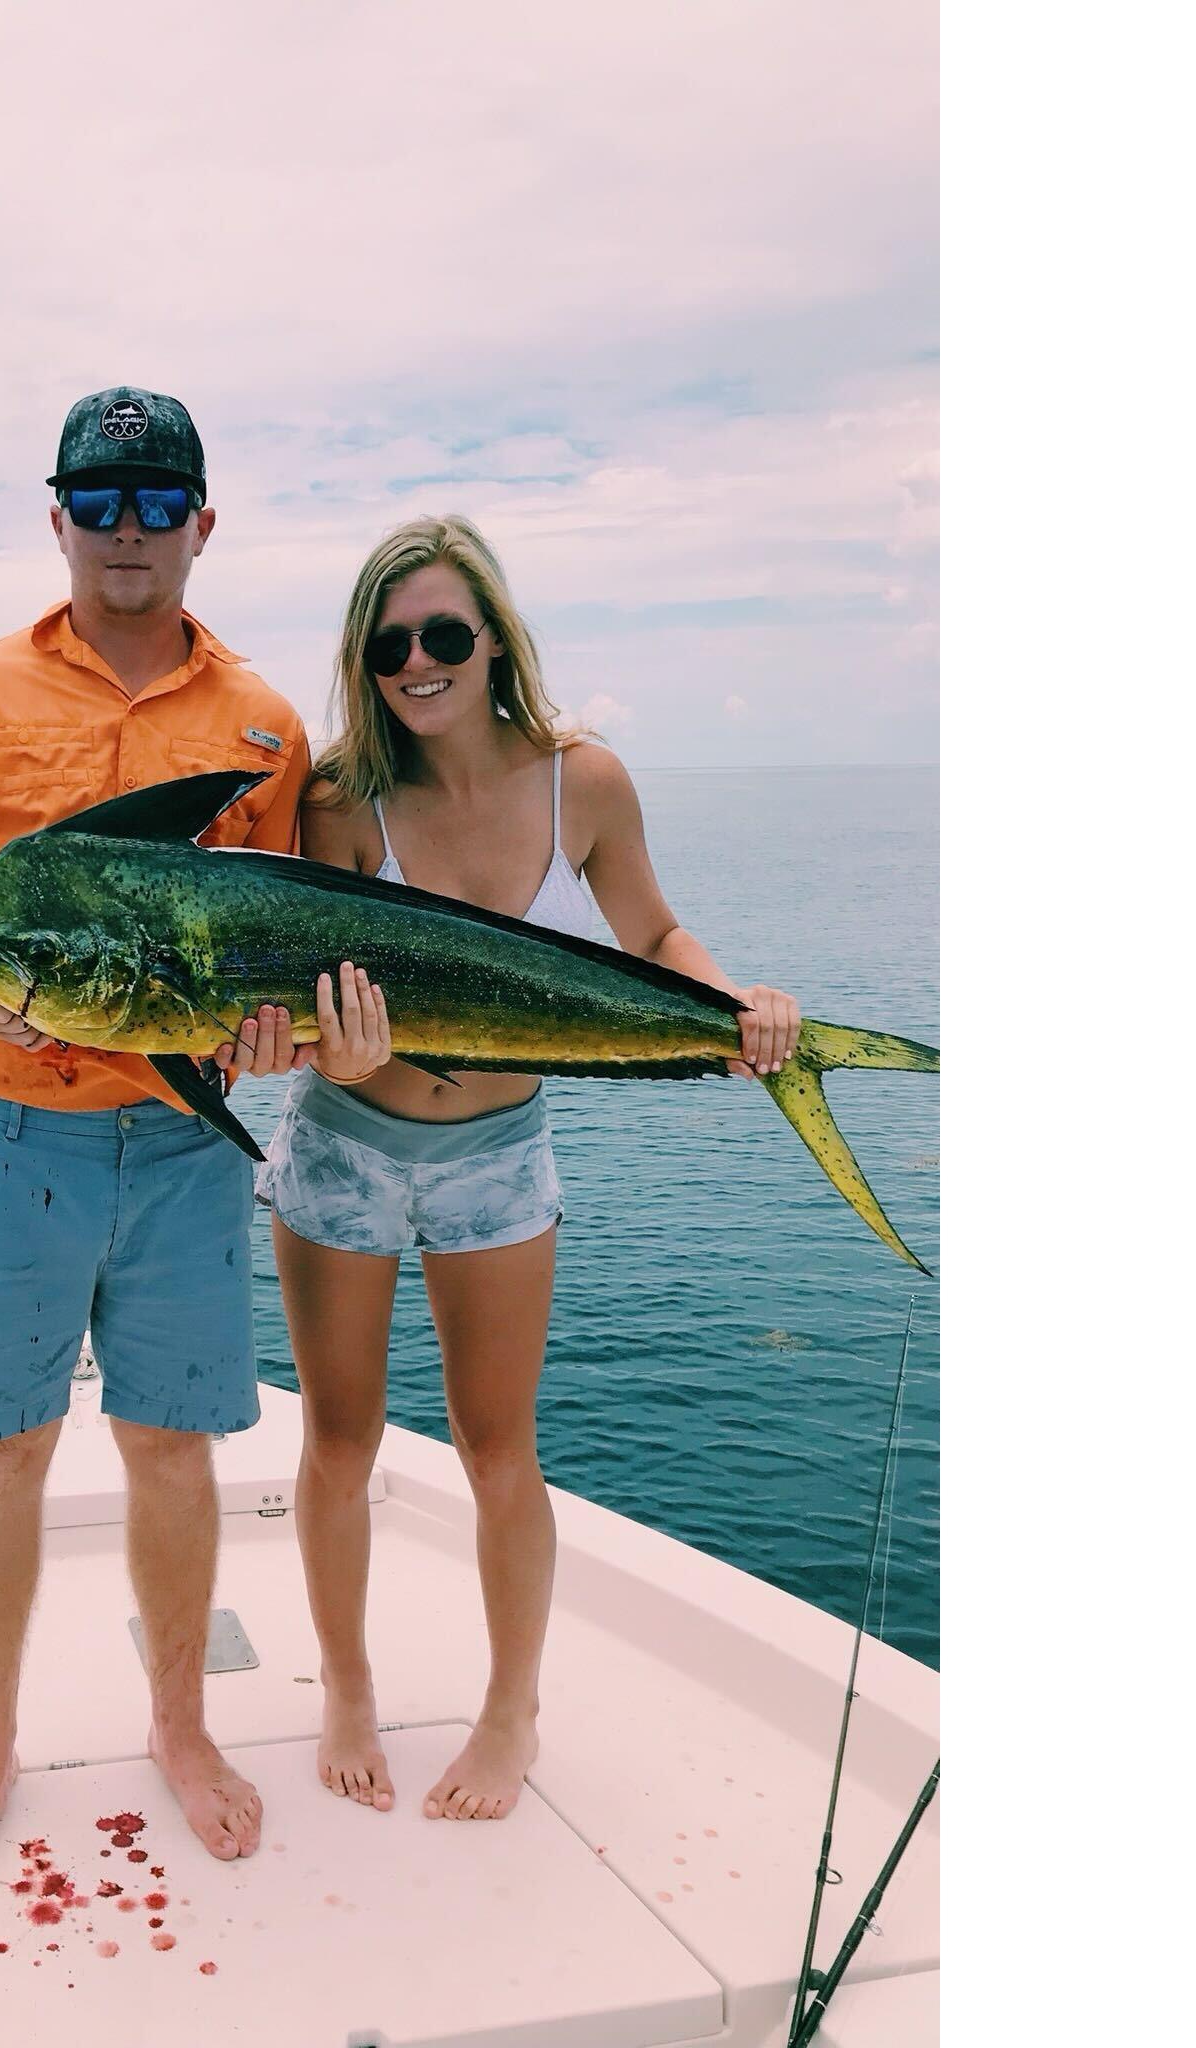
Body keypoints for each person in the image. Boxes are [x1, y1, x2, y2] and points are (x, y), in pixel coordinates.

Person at [0, 387, 390, 1893]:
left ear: (203, 523)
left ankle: (181, 1727)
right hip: (5, 1135)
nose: (129, 530)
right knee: (0, 1457)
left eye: (160, 502)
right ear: (59, 519)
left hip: (181, 1146)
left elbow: (282, 938)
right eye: (100, 502)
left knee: (172, 1449)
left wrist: (294, 1039)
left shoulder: (264, 724)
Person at [257, 514, 801, 1823]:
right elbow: (311, 1010)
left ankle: (512, 1713)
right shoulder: (338, 801)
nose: (419, 663)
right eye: (390, 645)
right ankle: (345, 1688)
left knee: (500, 1449)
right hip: (344, 1148)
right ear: (363, 661)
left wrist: (733, 1005)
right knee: (337, 1442)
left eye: (446, 633)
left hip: (500, 1159)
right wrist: (327, 1053)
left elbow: (653, 933)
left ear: (495, 637)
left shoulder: (584, 783)